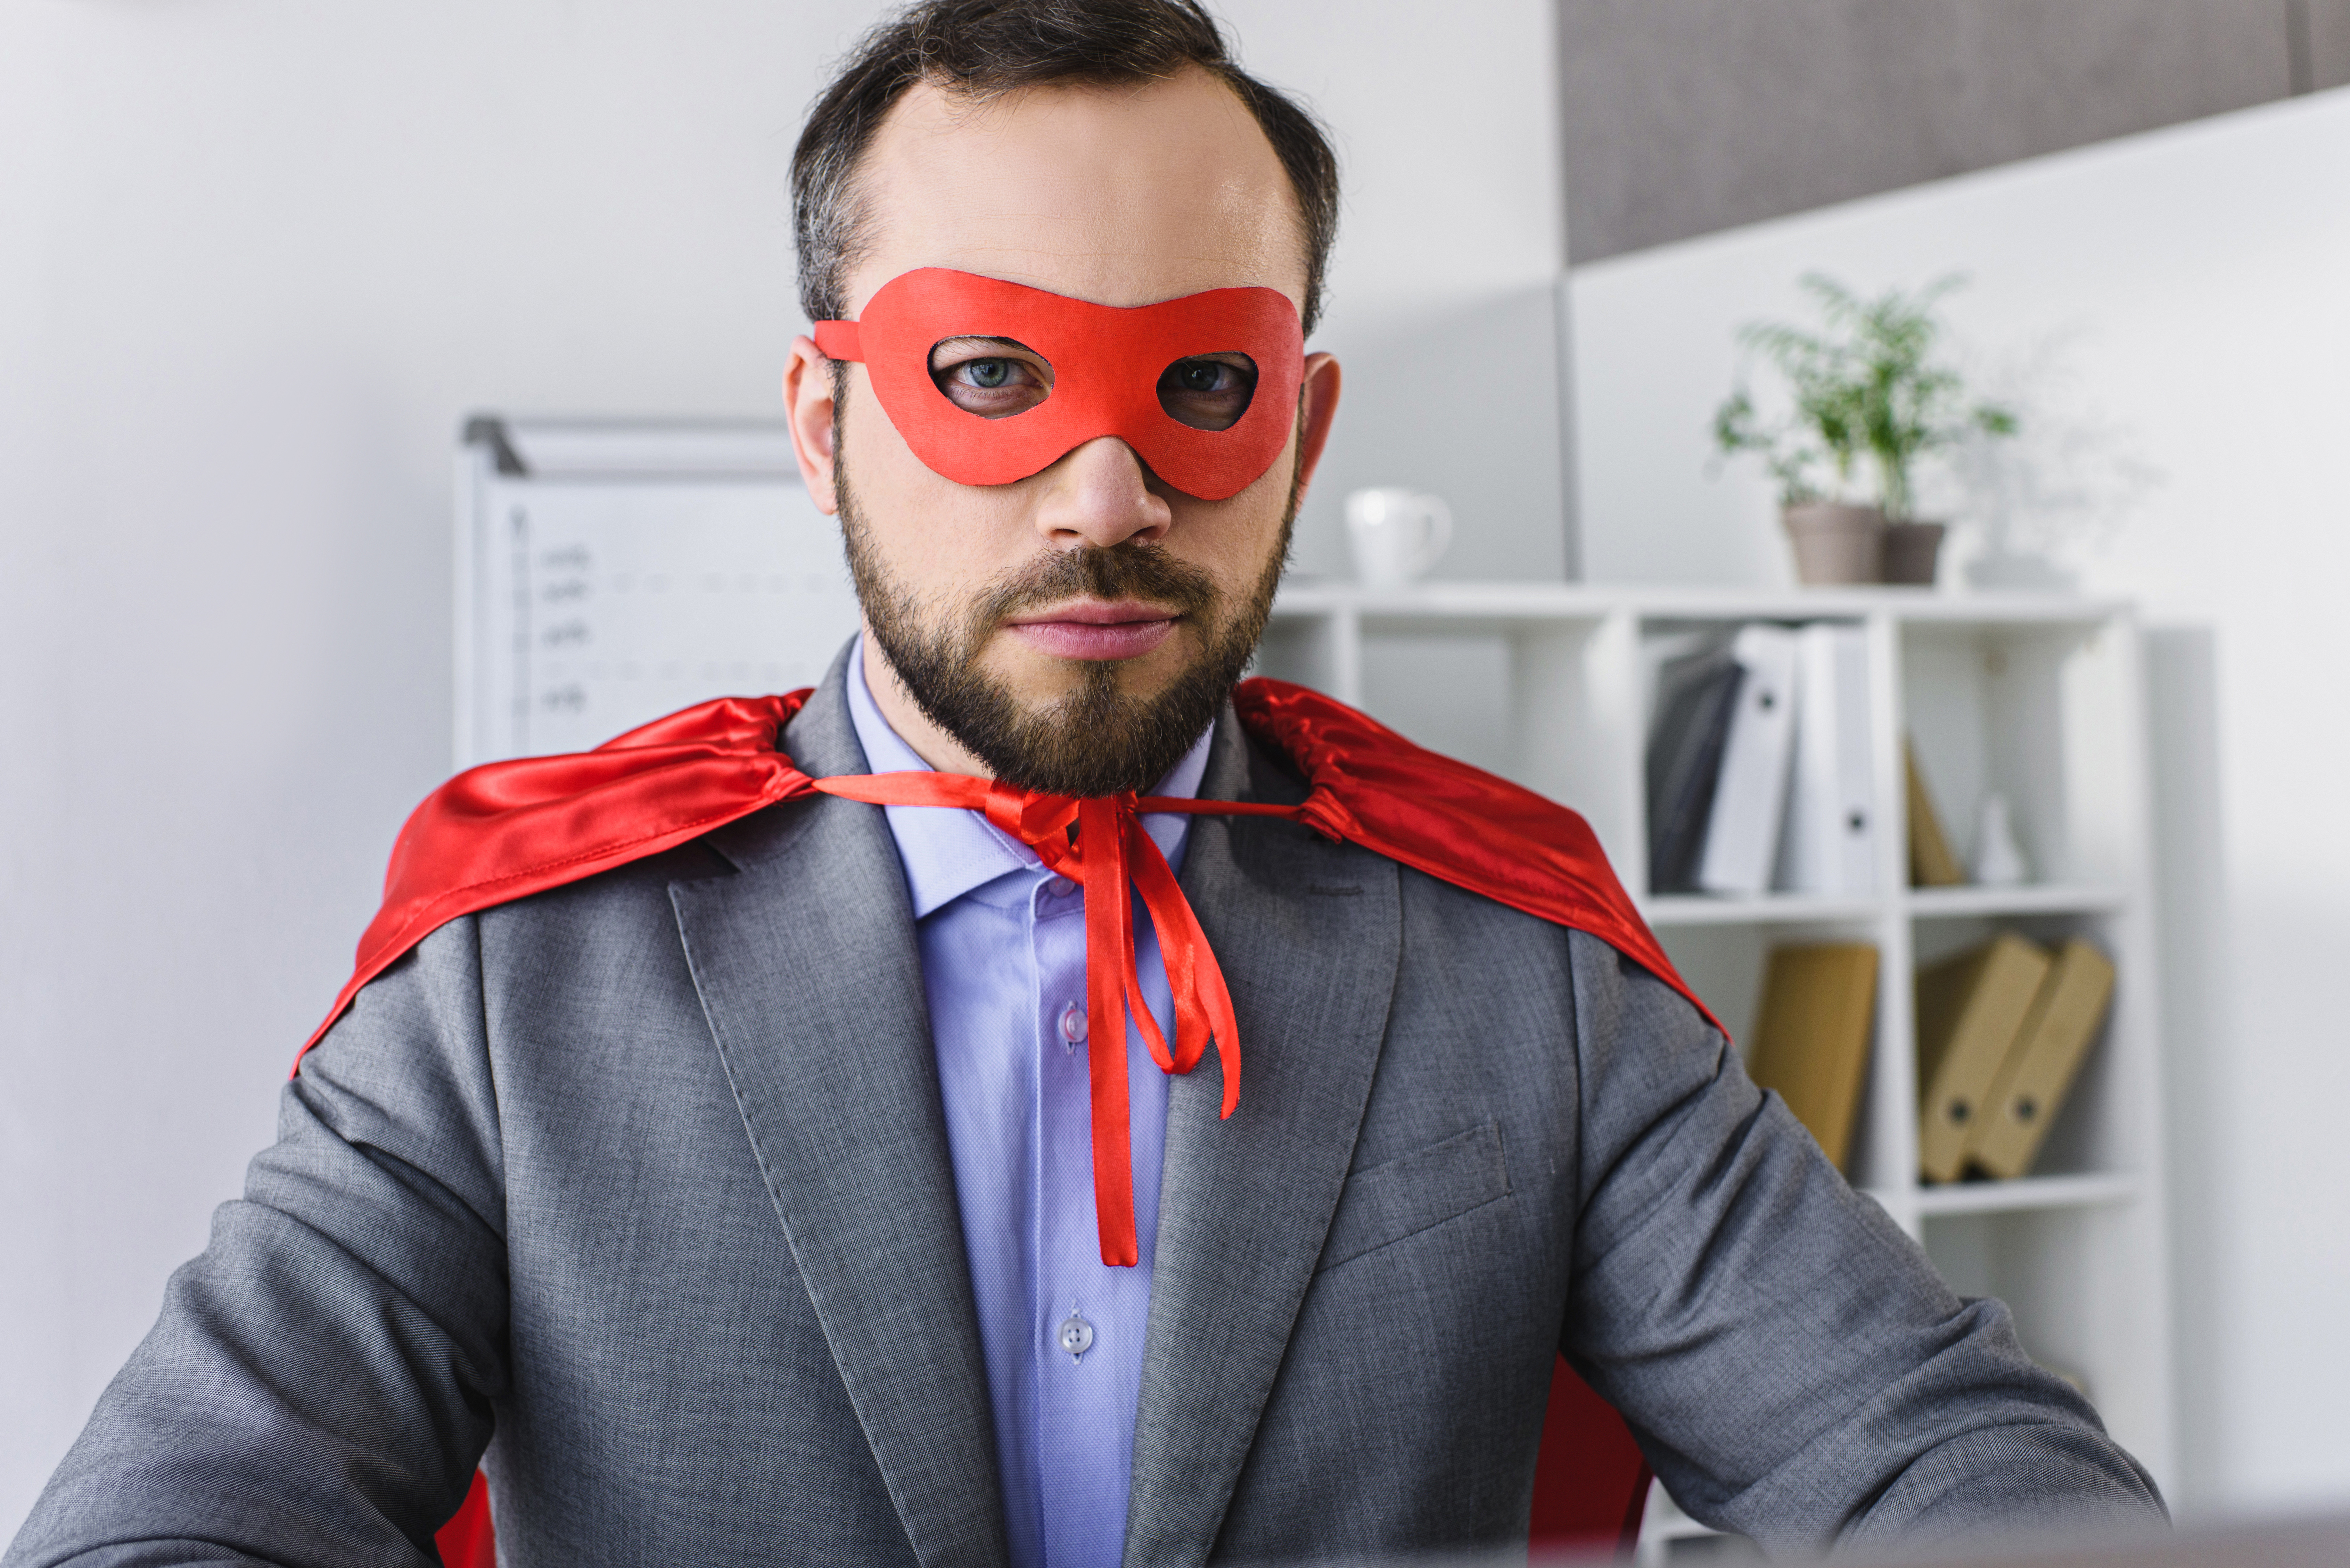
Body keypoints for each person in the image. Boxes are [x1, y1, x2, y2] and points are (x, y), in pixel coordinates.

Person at [8, 3, 2167, 1565]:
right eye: (987, 379)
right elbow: (173, 1529)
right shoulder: (519, 978)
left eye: (1202, 385)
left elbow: (1967, 1472)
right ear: (820, 419)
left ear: (1304, 427)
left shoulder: (1520, 964)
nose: (1107, 491)